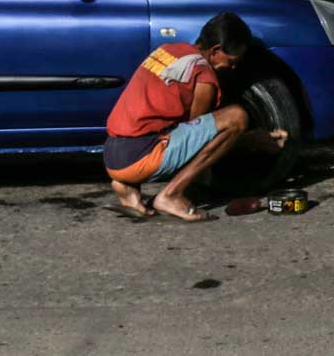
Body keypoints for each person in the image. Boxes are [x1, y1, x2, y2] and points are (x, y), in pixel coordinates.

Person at [103, 12, 287, 223]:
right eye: (232, 61)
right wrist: (252, 139)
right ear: (216, 50)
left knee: (152, 122)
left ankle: (128, 188)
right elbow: (200, 139)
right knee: (236, 117)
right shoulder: (204, 76)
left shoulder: (167, 50)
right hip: (139, 158)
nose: (233, 68)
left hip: (113, 156)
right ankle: (170, 195)